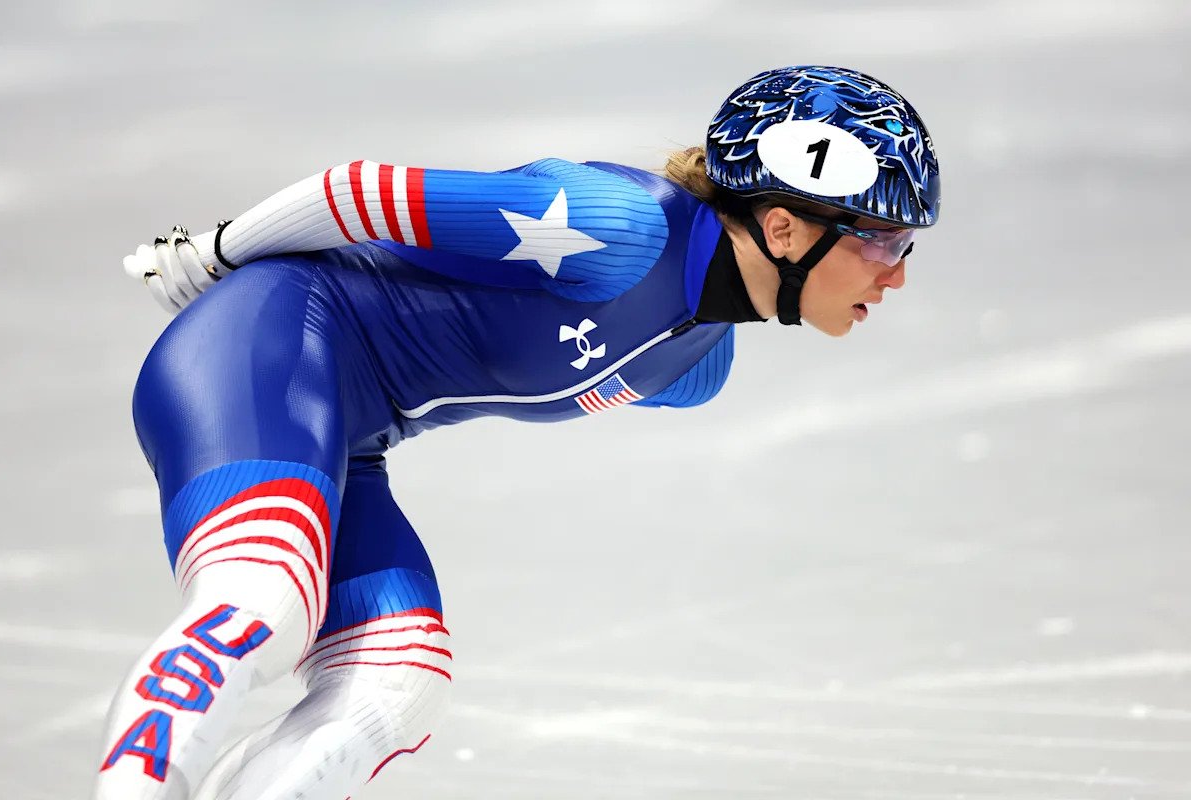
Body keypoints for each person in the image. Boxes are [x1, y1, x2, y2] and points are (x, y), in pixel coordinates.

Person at [95, 65, 940, 799]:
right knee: (265, 602)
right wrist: (212, 252)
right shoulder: (620, 226)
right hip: (260, 346)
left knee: (398, 678)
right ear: (786, 225)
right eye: (883, 238)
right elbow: (355, 192)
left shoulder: (696, 366)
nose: (897, 273)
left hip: (352, 442)